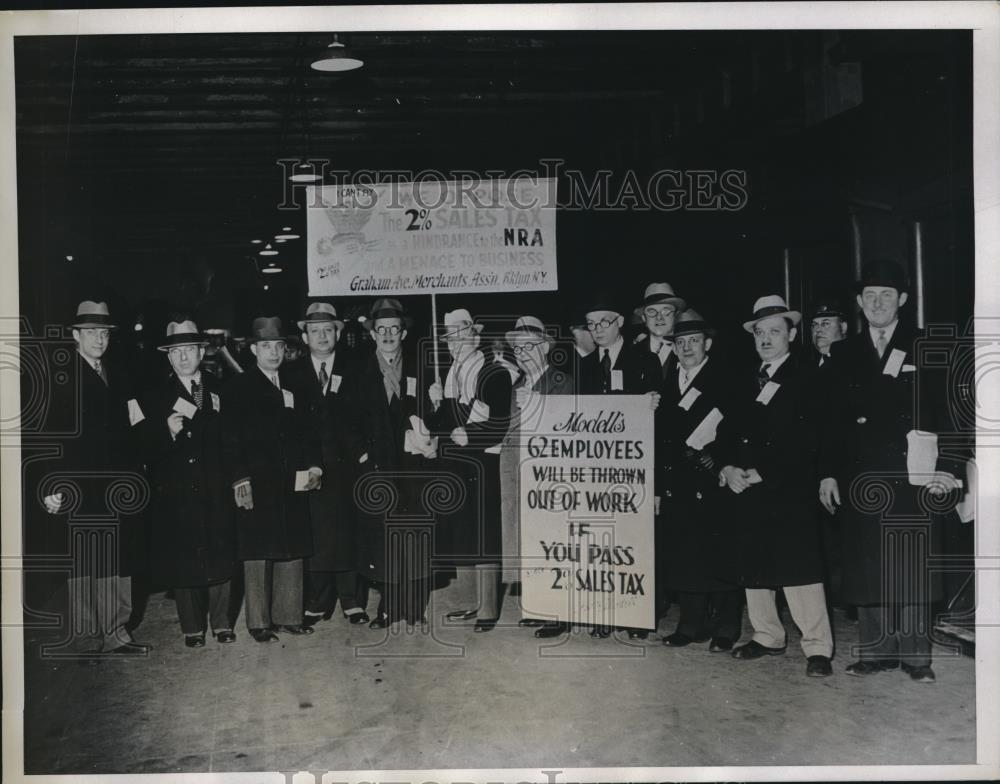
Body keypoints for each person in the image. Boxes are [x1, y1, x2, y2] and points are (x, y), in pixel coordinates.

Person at [819, 260, 961, 682]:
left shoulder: (925, 345)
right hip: (860, 473)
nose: (876, 303)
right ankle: (876, 651)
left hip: (915, 473)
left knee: (912, 562)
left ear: (902, 300)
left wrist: (949, 470)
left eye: (885, 295)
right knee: (867, 563)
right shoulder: (843, 353)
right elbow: (831, 422)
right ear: (859, 304)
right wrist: (827, 473)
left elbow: (951, 413)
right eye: (868, 296)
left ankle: (917, 658)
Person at [715, 295, 834, 678]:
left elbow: (809, 440)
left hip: (788, 487)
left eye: (774, 332)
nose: (766, 339)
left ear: (792, 334)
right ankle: (767, 636)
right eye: (759, 333)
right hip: (747, 487)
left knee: (799, 569)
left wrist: (764, 470)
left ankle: (817, 647)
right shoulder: (743, 379)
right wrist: (727, 466)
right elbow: (724, 431)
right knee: (756, 567)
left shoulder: (808, 378)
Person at [42, 300, 150, 656]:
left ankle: (115, 633)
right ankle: (88, 637)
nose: (99, 339)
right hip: (77, 483)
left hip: (116, 483)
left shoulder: (118, 373)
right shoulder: (60, 377)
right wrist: (51, 486)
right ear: (75, 335)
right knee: (85, 558)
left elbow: (134, 427)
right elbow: (49, 438)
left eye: (103, 333)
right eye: (91, 332)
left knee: (115, 557)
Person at [548, 300, 660, 640]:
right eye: (591, 323)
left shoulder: (644, 359)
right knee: (602, 543)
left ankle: (638, 615)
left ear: (620, 322)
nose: (597, 329)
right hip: (598, 469)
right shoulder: (586, 365)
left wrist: (652, 404)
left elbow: (657, 416)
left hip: (633, 467)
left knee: (633, 542)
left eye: (603, 322)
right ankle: (604, 613)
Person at [221, 316, 322, 642]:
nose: (274, 352)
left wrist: (314, 467)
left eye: (278, 346)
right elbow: (231, 438)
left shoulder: (295, 384)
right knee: (258, 550)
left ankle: (289, 616)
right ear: (253, 349)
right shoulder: (238, 387)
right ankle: (259, 622)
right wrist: (239, 479)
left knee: (292, 547)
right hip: (257, 481)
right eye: (266, 346)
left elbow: (309, 433)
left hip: (291, 479)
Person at [141, 318, 237, 647]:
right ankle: (192, 627)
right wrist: (166, 432)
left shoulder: (223, 390)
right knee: (184, 559)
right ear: (168, 357)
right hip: (177, 492)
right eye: (176, 352)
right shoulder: (154, 397)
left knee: (220, 554)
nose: (183, 358)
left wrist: (237, 479)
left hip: (215, 487)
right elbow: (144, 448)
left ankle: (222, 623)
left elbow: (234, 442)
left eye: (189, 350)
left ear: (201, 352)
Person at [655, 309, 743, 652]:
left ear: (707, 343)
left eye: (693, 341)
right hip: (678, 480)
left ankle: (726, 627)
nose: (687, 347)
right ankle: (690, 624)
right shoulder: (668, 380)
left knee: (720, 553)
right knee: (684, 552)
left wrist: (720, 460)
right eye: (680, 342)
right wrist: (660, 487)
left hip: (712, 477)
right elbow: (662, 438)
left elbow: (736, 428)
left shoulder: (726, 377)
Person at [284, 302, 369, 628]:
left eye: (328, 330)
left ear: (338, 333)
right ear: (305, 336)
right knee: (316, 534)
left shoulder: (358, 367)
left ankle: (352, 601)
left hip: (348, 466)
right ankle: (317, 602)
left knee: (348, 532)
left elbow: (366, 415)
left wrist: (364, 456)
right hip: (309, 465)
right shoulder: (291, 374)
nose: (322, 336)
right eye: (315, 331)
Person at [352, 298, 436, 628]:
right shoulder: (360, 370)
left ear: (403, 333)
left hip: (413, 468)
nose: (388, 335)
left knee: (414, 535)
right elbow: (348, 420)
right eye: (381, 329)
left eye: (394, 329)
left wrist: (437, 403)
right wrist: (361, 454)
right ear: (373, 334)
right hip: (377, 467)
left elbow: (433, 417)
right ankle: (388, 606)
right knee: (383, 537)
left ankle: (415, 606)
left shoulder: (421, 366)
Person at [427, 309, 513, 632]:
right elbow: (444, 425)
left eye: (460, 334)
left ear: (475, 337)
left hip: (483, 464)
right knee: (463, 531)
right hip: (456, 465)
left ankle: (489, 608)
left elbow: (499, 423)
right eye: (449, 337)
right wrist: (435, 405)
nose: (454, 342)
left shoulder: (494, 372)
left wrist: (468, 434)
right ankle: (469, 602)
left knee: (485, 533)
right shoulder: (450, 375)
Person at [498, 316, 575, 630]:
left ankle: (559, 612)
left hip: (548, 475)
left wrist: (538, 406)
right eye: (517, 347)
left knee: (551, 540)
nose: (522, 352)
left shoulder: (561, 381)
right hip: (517, 472)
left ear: (545, 347)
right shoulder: (517, 383)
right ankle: (539, 604)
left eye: (529, 345)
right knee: (527, 538)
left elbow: (568, 430)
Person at [632, 282, 685, 382]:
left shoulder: (688, 351)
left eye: (666, 310)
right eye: (651, 311)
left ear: (676, 315)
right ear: (644, 318)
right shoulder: (630, 354)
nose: (659, 317)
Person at [809, 300, 847, 367]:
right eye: (814, 324)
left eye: (826, 323)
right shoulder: (806, 368)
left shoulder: (855, 364)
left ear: (843, 327)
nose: (818, 329)